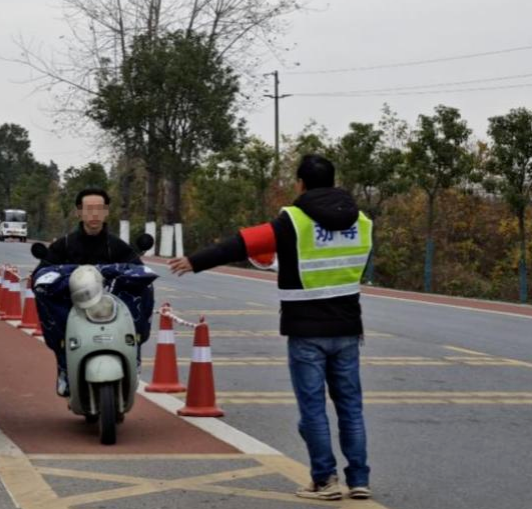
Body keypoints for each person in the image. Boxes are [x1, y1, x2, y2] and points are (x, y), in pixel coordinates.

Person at [169, 154, 373, 501]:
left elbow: (241, 243)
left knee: (312, 409)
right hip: (348, 328)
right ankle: (359, 480)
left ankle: (325, 480)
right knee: (350, 407)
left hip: (307, 332)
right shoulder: (363, 221)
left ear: (301, 184)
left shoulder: (292, 221)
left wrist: (195, 261)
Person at [33, 187, 150, 397]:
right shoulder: (64, 245)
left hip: (109, 307)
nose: (94, 214)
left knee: (146, 284)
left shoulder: (118, 246)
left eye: (99, 209)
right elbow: (42, 272)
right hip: (73, 309)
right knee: (41, 289)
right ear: (79, 212)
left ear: (106, 212)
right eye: (89, 209)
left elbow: (138, 269)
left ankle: (134, 355)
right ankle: (64, 367)